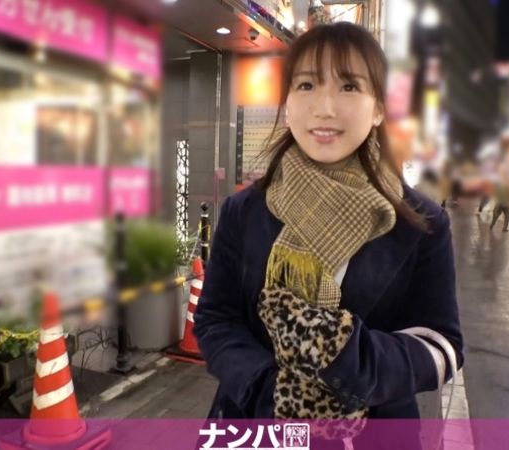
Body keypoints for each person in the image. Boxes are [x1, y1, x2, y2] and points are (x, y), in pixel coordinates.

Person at [193, 22, 463, 446]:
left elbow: (442, 345)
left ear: (378, 108)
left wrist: (349, 358)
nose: (324, 107)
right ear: (287, 103)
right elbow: (215, 319)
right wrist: (269, 390)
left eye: (349, 86)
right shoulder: (244, 211)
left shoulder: (421, 222)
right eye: (306, 85)